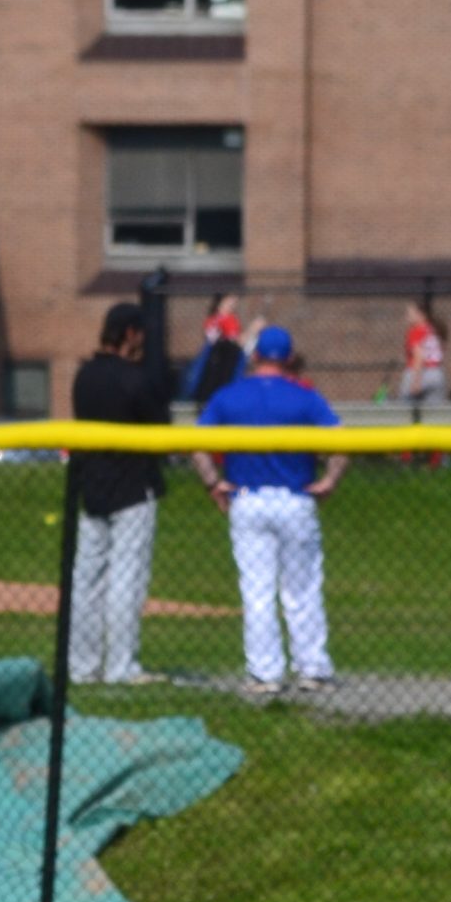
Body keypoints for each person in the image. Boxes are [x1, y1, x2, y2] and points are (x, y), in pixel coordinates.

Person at [191, 325, 345, 694]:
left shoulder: (229, 395)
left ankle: (265, 674)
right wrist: (329, 480)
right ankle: (312, 669)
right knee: (302, 588)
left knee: (257, 590)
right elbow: (342, 442)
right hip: (295, 499)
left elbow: (195, 443)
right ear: (289, 359)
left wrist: (213, 482)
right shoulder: (305, 397)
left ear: (256, 357)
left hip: (248, 498)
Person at [69, 301, 167, 684]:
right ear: (130, 334)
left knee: (86, 580)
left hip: (92, 488)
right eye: (140, 332)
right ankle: (121, 667)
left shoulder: (84, 376)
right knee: (126, 578)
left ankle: (82, 666)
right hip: (132, 489)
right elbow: (162, 425)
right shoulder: (134, 378)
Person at [186, 293, 243, 405]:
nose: (233, 305)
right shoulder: (226, 319)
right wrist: (253, 329)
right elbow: (236, 340)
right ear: (220, 303)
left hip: (217, 361)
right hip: (223, 361)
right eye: (229, 302)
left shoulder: (216, 319)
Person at [401, 300, 448, 409]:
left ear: (421, 314)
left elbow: (419, 355)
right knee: (434, 414)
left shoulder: (416, 330)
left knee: (405, 411)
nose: (407, 316)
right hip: (437, 373)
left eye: (410, 313)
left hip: (420, 372)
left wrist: (416, 381)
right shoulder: (434, 329)